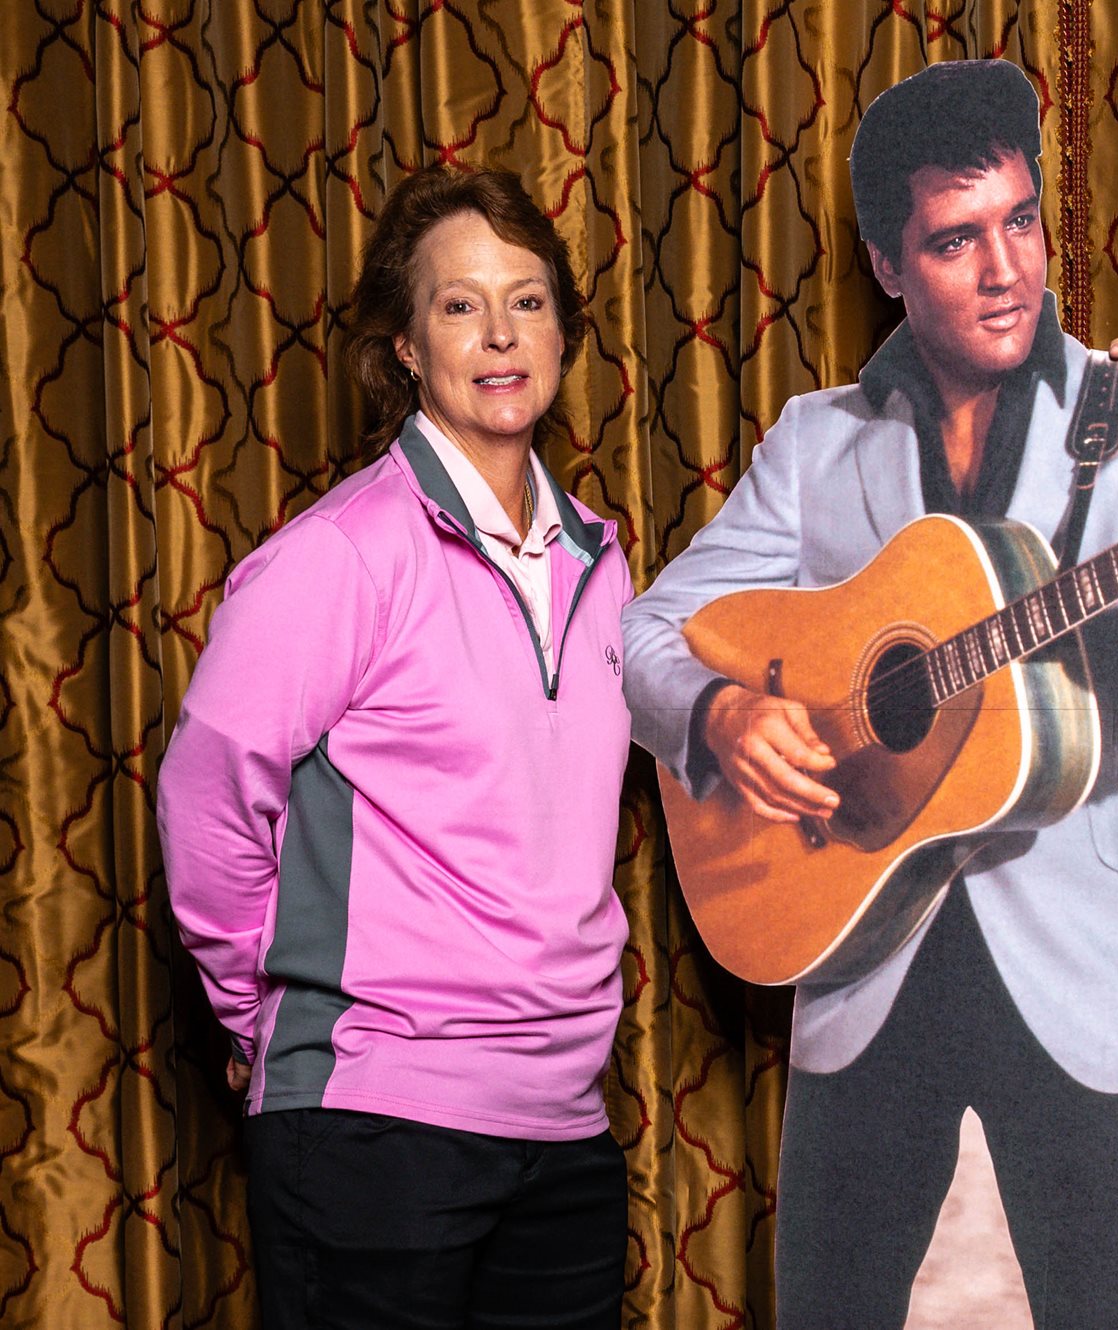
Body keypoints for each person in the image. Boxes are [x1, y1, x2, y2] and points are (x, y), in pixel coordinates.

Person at [621, 59, 1118, 1327]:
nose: (1004, 271)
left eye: (1020, 222)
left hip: (1083, 985)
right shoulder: (816, 443)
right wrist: (719, 713)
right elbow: (646, 631)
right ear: (887, 263)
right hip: (857, 971)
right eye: (953, 240)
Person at [157, 164, 633, 1330]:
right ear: (409, 348)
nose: (500, 333)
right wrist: (257, 1014)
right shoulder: (341, 555)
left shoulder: (603, 562)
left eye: (526, 300)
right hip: (376, 1122)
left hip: (566, 1127)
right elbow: (206, 797)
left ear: (563, 333)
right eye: (459, 304)